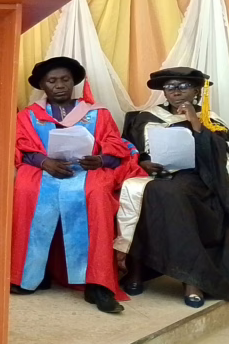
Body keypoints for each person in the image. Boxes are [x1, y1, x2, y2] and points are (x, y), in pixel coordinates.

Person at [10, 57, 138, 314]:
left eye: (65, 79)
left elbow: (116, 147)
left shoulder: (97, 113)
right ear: (42, 85)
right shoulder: (29, 116)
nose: (59, 85)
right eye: (52, 81)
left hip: (87, 171)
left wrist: (101, 159)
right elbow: (22, 148)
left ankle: (97, 283)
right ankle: (32, 274)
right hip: (45, 170)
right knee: (26, 188)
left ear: (73, 82)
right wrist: (44, 162)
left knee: (97, 193)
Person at [116, 68, 229, 308]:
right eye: (170, 87)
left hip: (196, 179)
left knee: (172, 194)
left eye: (183, 86)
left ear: (197, 91)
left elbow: (224, 159)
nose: (176, 91)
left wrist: (195, 123)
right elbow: (129, 149)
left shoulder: (209, 119)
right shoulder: (145, 118)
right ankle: (136, 269)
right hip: (152, 176)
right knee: (141, 192)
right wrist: (142, 163)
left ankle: (192, 279)